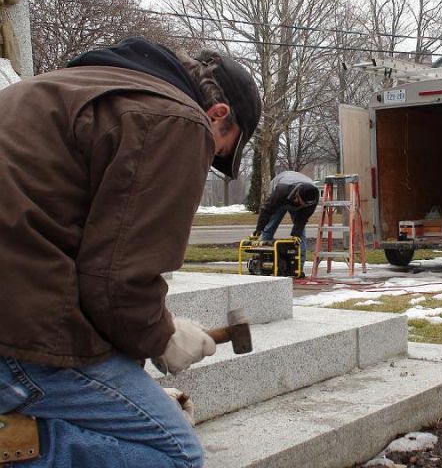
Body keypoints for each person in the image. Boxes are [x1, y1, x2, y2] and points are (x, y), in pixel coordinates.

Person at [0, 37, 261, 467]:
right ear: (217, 115)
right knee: (175, 456)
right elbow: (117, 283)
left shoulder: (62, 88)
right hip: (19, 334)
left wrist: (155, 328)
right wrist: (162, 337)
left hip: (20, 303)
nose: (206, 159)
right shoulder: (177, 118)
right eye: (219, 150)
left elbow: (87, 252)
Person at [254, 171, 320, 275]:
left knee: (300, 234)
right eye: (300, 203)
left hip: (293, 192)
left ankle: (298, 267)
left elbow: (302, 219)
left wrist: (295, 234)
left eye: (303, 205)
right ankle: (260, 261)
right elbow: (267, 209)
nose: (300, 205)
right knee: (269, 227)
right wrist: (259, 228)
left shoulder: (313, 197)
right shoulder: (281, 190)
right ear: (297, 195)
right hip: (281, 196)